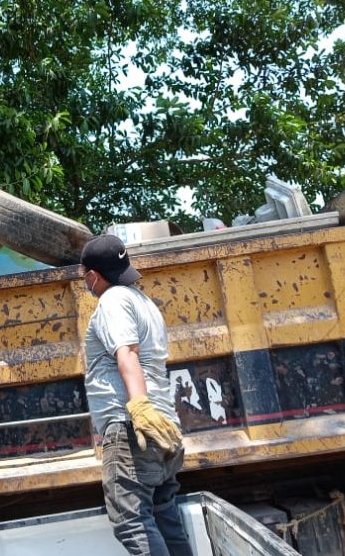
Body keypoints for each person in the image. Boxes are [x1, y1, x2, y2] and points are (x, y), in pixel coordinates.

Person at [80, 234, 194, 556]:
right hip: (162, 426)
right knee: (164, 516)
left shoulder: (113, 301)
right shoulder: (142, 301)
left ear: (92, 277)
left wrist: (138, 406)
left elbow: (127, 352)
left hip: (134, 427)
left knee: (131, 522)